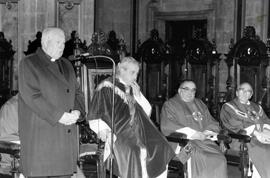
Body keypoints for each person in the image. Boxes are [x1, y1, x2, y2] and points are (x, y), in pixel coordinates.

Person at [87, 56, 175, 178]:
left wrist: (138, 95)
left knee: (161, 145)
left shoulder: (132, 88)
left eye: (137, 73)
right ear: (121, 70)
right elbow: (96, 113)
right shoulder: (107, 86)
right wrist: (103, 130)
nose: (135, 77)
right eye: (133, 73)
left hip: (140, 129)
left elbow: (147, 112)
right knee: (135, 150)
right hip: (119, 131)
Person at [18, 27, 85, 178]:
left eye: (63, 42)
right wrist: (60, 116)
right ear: (45, 43)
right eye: (58, 42)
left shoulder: (67, 64)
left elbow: (78, 93)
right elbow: (33, 97)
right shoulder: (29, 63)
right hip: (42, 141)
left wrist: (77, 111)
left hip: (64, 141)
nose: (62, 46)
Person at [160, 79, 228, 178]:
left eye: (193, 90)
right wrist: (193, 134)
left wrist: (206, 132)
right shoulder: (170, 105)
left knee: (220, 158)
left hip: (204, 142)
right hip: (181, 144)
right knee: (203, 158)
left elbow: (212, 122)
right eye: (186, 89)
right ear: (180, 91)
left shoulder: (200, 104)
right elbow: (167, 125)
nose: (190, 93)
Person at [220, 82, 270, 178]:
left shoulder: (257, 107)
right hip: (241, 139)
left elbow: (266, 121)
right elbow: (234, 125)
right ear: (237, 92)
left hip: (263, 136)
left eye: (248, 91)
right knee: (265, 150)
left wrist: (267, 130)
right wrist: (256, 133)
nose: (244, 93)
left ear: (251, 95)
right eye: (242, 90)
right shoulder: (228, 107)